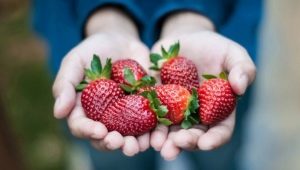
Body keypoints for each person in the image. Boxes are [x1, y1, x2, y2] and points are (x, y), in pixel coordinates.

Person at [33, 0, 262, 169]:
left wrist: (192, 16)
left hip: (216, 39)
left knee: (218, 158)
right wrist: (106, 19)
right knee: (115, 159)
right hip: (81, 26)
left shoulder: (208, 89)